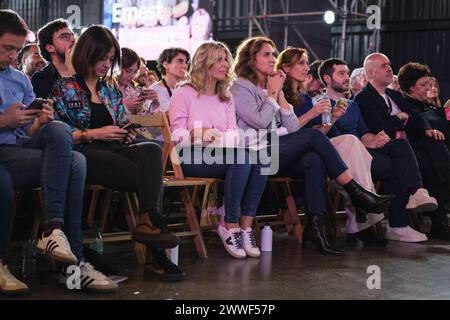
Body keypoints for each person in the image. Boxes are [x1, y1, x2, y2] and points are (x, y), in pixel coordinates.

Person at [231, 36, 392, 255]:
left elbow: (292, 125)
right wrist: (273, 94)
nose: (272, 59)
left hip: (278, 151)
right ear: (251, 59)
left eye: (272, 53)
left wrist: (277, 93)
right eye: (266, 54)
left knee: (314, 161)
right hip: (254, 151)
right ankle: (355, 192)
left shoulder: (273, 84)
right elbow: (258, 121)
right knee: (315, 138)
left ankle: (315, 228)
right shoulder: (240, 86)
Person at [51, 25, 185, 280]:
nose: (106, 64)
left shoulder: (108, 89)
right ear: (87, 54)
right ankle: (154, 245)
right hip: (83, 152)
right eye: (102, 58)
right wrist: (94, 133)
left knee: (150, 149)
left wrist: (127, 131)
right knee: (149, 175)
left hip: (114, 148)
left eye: (111, 59)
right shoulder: (65, 88)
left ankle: (148, 220)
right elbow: (57, 131)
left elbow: (122, 121)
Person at [0, 9, 117, 293]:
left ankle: (57, 238)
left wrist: (38, 120)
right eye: (7, 48)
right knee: (73, 161)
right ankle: (64, 256)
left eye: (16, 50)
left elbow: (27, 133)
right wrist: (5, 120)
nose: (13, 56)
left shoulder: (19, 79)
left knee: (62, 136)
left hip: (18, 149)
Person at [288, 54, 437, 243]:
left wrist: (376, 139)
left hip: (361, 154)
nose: (346, 77)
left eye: (347, 73)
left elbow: (364, 135)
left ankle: (402, 215)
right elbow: (312, 138)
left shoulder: (353, 105)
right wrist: (333, 118)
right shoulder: (315, 103)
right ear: (327, 78)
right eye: (341, 73)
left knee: (398, 153)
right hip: (333, 160)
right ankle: (365, 222)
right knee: (353, 142)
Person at [169, 41, 268, 259]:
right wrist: (198, 133)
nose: (226, 65)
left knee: (262, 160)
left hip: (220, 152)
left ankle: (245, 225)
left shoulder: (226, 96)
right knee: (242, 158)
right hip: (188, 154)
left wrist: (218, 138)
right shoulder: (183, 93)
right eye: (220, 60)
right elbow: (176, 135)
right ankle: (229, 224)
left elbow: (234, 133)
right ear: (205, 63)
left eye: (227, 60)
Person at [355, 53, 450, 241]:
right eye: (384, 66)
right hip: (383, 148)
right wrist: (397, 120)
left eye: (390, 64)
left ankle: (438, 216)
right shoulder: (364, 98)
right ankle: (418, 199)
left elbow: (416, 117)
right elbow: (377, 131)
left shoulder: (395, 95)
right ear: (371, 72)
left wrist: (427, 130)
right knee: (415, 158)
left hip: (405, 146)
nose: (390, 68)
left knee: (434, 142)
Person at [31, 19, 76, 99]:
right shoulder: (41, 79)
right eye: (65, 37)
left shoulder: (85, 73)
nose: (73, 40)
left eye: (73, 35)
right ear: (50, 47)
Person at [150, 47, 190, 113]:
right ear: (166, 64)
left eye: (186, 62)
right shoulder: (153, 91)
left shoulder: (188, 90)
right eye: (180, 61)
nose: (185, 66)